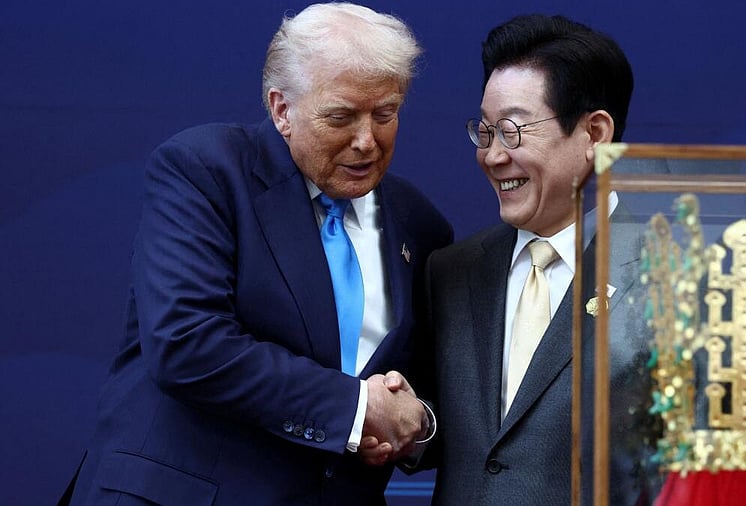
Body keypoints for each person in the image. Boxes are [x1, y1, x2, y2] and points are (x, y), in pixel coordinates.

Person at [60, 3, 453, 505]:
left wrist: (417, 424)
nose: (366, 141)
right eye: (340, 116)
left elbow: (427, 394)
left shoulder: (419, 224)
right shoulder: (207, 171)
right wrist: (355, 408)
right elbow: (187, 342)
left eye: (385, 114)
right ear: (281, 108)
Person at [421, 14, 655, 505]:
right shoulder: (452, 272)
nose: (491, 156)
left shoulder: (670, 276)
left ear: (594, 134)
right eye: (483, 133)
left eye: (511, 131)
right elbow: (441, 436)